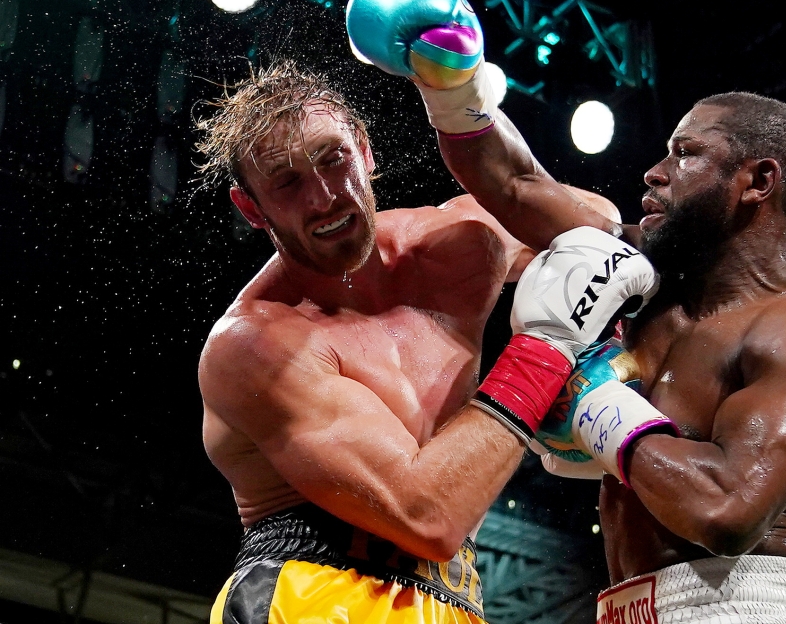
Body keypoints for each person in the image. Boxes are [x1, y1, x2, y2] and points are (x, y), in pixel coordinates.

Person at [347, 0, 786, 623]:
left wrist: (591, 397)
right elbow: (513, 183)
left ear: (757, 180)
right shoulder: (638, 270)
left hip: (734, 610)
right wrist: (453, 88)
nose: (655, 171)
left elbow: (725, 511)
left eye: (684, 154)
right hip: (621, 607)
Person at [194, 60, 659, 624]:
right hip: (313, 595)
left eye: (332, 159)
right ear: (252, 209)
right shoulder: (257, 344)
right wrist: (546, 349)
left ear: (364, 151)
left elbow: (596, 230)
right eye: (287, 181)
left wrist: (466, 112)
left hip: (454, 600)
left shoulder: (458, 245)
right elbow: (428, 514)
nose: (323, 198)